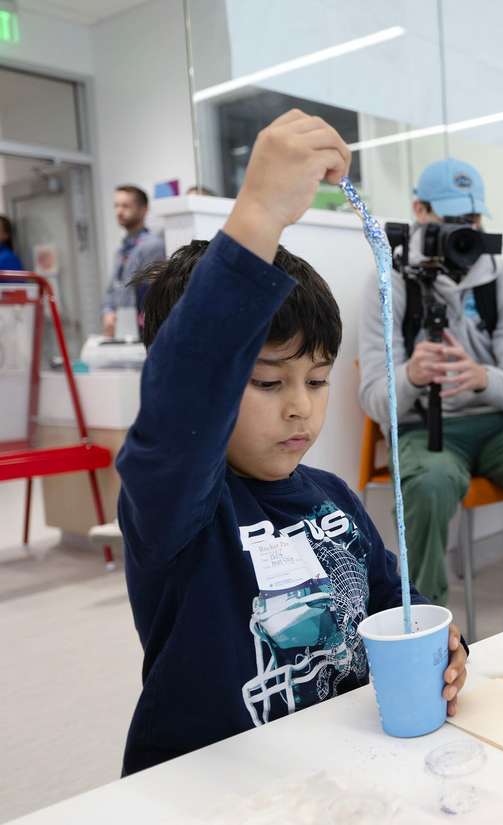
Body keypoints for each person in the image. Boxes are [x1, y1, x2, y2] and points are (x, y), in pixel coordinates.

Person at [116, 111, 468, 775]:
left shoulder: (334, 499)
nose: (301, 405)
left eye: (317, 378)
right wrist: (258, 214)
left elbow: (394, 606)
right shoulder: (178, 510)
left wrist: (444, 646)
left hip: (336, 774)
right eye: (269, 381)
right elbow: (185, 396)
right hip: (209, 789)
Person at [357, 158, 503, 630]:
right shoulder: (389, 283)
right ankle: (426, 615)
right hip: (427, 426)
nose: (466, 233)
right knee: (430, 484)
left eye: (473, 221)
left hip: (502, 421)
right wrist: (413, 375)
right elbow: (376, 398)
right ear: (419, 210)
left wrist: (481, 377)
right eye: (453, 220)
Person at [104, 184, 166, 338]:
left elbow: (150, 295)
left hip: (142, 331)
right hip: (123, 329)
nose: (119, 211)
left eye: (126, 206)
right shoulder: (121, 249)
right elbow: (112, 288)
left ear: (143, 209)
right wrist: (108, 312)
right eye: (116, 206)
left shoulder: (153, 246)